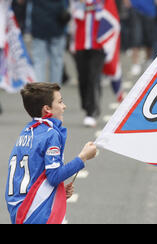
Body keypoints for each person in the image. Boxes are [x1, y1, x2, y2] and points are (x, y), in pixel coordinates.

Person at [5, 82, 97, 224]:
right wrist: (83, 157)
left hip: (19, 209)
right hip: (35, 212)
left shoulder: (27, 131)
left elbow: (36, 174)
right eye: (60, 102)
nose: (64, 106)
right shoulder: (50, 134)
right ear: (47, 109)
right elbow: (54, 176)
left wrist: (56, 193)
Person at [71, 0, 107, 127]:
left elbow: (111, 18)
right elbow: (73, 22)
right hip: (80, 45)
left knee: (93, 77)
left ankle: (91, 112)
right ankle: (88, 106)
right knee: (83, 79)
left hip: (99, 45)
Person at [30, 0, 70, 83]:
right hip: (58, 25)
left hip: (39, 26)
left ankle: (40, 91)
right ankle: (54, 91)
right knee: (56, 62)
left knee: (39, 62)